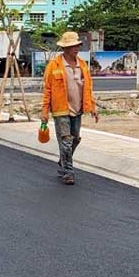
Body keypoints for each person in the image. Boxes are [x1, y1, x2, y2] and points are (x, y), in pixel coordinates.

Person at [40, 31, 98, 185]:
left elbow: (88, 88)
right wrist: (44, 111)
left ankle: (63, 161)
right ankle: (68, 172)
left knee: (75, 139)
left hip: (77, 108)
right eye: (73, 46)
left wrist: (92, 106)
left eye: (77, 46)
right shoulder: (54, 65)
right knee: (66, 141)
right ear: (65, 48)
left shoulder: (83, 65)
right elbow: (47, 90)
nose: (76, 49)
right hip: (60, 109)